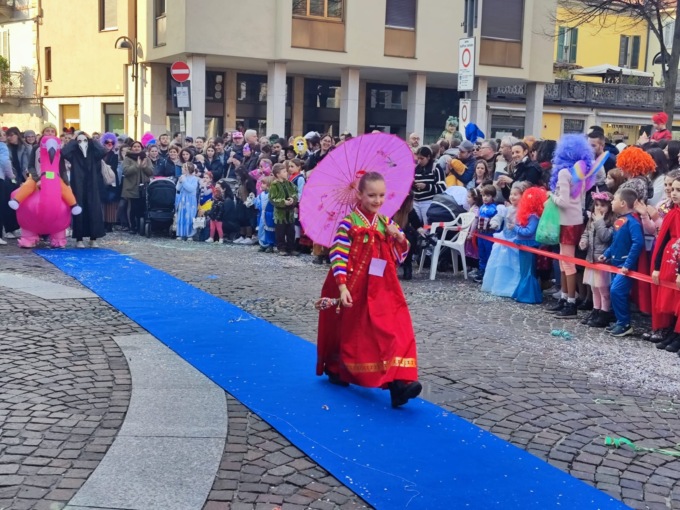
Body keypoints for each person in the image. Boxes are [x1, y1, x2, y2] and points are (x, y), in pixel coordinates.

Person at [315, 171, 421, 408]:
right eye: (372, 195)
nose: (377, 200)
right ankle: (345, 369)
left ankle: (400, 381)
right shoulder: (349, 223)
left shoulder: (386, 223)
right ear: (360, 195)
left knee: (396, 327)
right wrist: (342, 287)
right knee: (358, 334)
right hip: (355, 287)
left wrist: (399, 237)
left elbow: (400, 254)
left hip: (383, 287)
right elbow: (338, 255)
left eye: (381, 195)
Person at [546, 135, 591, 318]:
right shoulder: (579, 172)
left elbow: (563, 202)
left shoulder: (564, 173)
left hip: (566, 222)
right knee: (564, 262)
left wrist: (551, 196)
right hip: (575, 221)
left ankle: (570, 301)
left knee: (567, 263)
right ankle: (565, 298)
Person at [599, 188, 644, 337]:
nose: (612, 202)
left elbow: (638, 243)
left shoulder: (633, 222)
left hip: (625, 267)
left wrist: (627, 264)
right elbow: (616, 242)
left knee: (616, 291)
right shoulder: (620, 220)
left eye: (615, 200)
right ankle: (620, 322)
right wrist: (606, 254)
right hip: (616, 264)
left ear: (623, 203)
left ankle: (625, 324)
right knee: (614, 291)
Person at [60, 132, 106, 248]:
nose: (83, 143)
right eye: (79, 141)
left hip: (92, 184)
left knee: (93, 210)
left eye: (85, 141)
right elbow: (64, 153)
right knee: (79, 208)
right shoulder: (74, 153)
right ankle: (79, 239)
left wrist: (91, 140)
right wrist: (73, 140)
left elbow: (103, 151)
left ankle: (93, 238)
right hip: (78, 183)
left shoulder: (93, 152)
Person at [651, 174, 680, 351]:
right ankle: (672, 330)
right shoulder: (672, 213)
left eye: (678, 190)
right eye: (673, 189)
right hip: (671, 259)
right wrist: (656, 267)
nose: (673, 193)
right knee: (672, 298)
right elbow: (663, 240)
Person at [481, 182, 526, 296]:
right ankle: (500, 286)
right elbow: (498, 217)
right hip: (504, 240)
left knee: (513, 264)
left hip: (515, 240)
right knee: (500, 262)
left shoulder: (523, 211)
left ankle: (511, 287)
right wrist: (495, 222)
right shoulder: (506, 209)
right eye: (511, 194)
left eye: (515, 194)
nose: (512, 197)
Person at [579, 192, 615, 328]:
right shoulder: (592, 220)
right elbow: (586, 232)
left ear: (609, 207)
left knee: (602, 288)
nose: (599, 208)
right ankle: (596, 310)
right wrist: (583, 242)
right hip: (591, 258)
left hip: (602, 260)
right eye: (597, 205)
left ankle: (604, 313)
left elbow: (605, 237)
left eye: (603, 205)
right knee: (594, 287)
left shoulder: (611, 221)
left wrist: (599, 221)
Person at [511, 186, 548, 304]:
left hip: (529, 246)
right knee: (524, 271)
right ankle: (523, 292)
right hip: (524, 245)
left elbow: (528, 231)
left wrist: (515, 228)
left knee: (528, 271)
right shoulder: (530, 215)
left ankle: (528, 295)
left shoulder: (533, 216)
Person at [121, 141, 153, 235]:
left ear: (141, 148)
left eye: (138, 146)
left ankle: (140, 226)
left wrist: (144, 167)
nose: (136, 148)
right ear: (131, 148)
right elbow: (126, 171)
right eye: (134, 146)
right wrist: (137, 166)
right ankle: (132, 226)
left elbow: (151, 172)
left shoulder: (146, 158)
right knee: (132, 208)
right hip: (131, 187)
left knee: (142, 207)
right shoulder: (127, 158)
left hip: (144, 187)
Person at [269, 163, 298, 255]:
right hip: (280, 214)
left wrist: (292, 199)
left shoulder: (289, 183)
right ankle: (281, 248)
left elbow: (295, 192)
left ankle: (291, 248)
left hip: (290, 213)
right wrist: (283, 202)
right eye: (284, 171)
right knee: (280, 232)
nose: (286, 173)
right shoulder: (274, 186)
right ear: (278, 174)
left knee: (291, 231)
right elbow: (272, 199)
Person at [411, 146, 445, 223]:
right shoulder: (416, 169)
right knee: (415, 225)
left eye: (422, 158)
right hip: (415, 202)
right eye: (418, 158)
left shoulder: (436, 168)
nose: (419, 161)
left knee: (427, 225)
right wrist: (412, 184)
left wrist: (426, 186)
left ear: (428, 157)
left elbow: (442, 188)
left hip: (429, 202)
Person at [473, 184, 500, 283]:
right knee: (482, 253)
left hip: (489, 234)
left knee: (489, 253)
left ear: (493, 196)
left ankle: (489, 273)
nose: (485, 198)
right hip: (481, 234)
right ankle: (482, 270)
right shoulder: (481, 207)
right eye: (483, 195)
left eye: (488, 196)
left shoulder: (495, 208)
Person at [175, 162, 199, 241]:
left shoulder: (194, 179)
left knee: (190, 216)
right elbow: (178, 188)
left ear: (187, 169)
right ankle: (181, 233)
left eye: (183, 168)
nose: (181, 169)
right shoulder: (182, 177)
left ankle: (190, 234)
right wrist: (180, 182)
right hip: (182, 199)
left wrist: (184, 182)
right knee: (181, 216)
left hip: (190, 200)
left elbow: (191, 189)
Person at [254, 175, 276, 252]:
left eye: (263, 184)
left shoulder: (272, 195)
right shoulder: (261, 195)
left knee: (269, 230)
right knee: (261, 229)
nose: (261, 185)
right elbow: (258, 204)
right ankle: (263, 244)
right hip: (261, 214)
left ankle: (270, 245)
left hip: (269, 215)